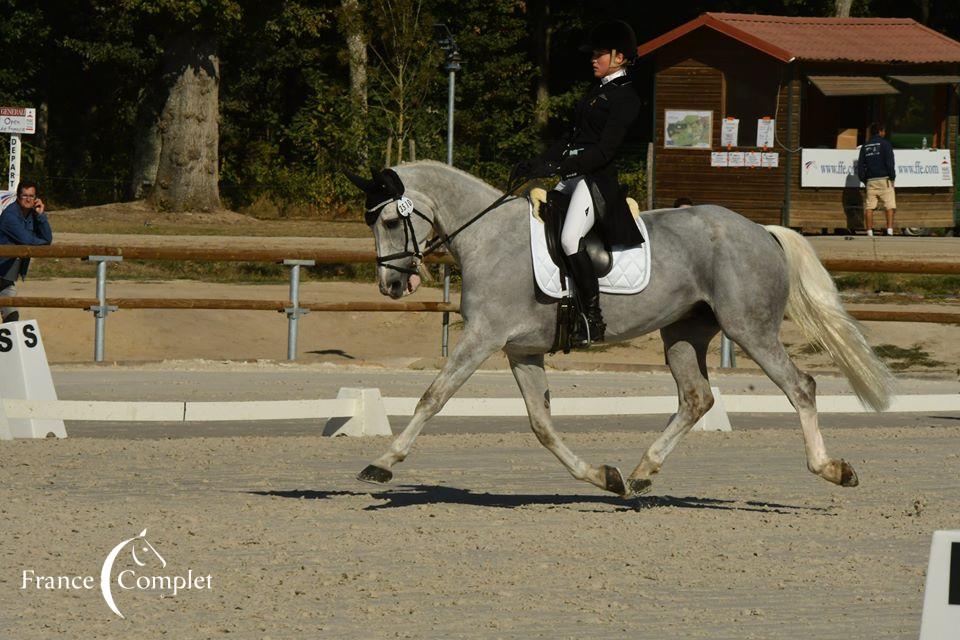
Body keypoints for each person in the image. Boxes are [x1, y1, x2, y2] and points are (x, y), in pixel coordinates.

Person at [514, 19, 641, 345]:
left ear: (620, 57)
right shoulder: (596, 92)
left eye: (600, 54)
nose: (593, 59)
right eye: (595, 54)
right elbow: (572, 139)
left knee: (571, 239)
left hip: (597, 181)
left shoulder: (626, 98)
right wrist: (538, 164)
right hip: (575, 176)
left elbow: (604, 151)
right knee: (535, 220)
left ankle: (593, 319)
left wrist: (564, 164)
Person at [0, 180, 53, 323]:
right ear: (18, 197)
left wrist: (41, 215)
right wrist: (42, 243)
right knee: (11, 316)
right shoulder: (10, 217)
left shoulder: (33, 215)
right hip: (3, 272)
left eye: (32, 196)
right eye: (24, 196)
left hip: (5, 278)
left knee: (12, 317)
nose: (28, 199)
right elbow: (27, 240)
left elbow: (47, 238)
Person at [857, 122, 896, 237]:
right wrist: (892, 177)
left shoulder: (865, 146)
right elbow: (890, 163)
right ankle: (889, 230)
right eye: (884, 131)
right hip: (884, 179)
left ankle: (869, 231)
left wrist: (864, 180)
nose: (884, 133)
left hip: (870, 180)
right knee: (889, 205)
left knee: (870, 207)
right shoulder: (886, 144)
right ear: (880, 131)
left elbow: (860, 166)